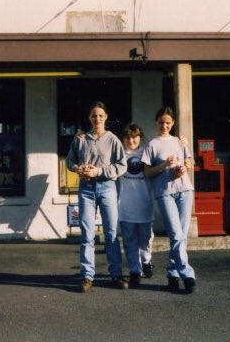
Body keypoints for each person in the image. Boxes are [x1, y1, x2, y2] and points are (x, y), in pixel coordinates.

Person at [66, 101, 128, 293]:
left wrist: (99, 171)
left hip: (107, 187)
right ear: (89, 118)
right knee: (87, 233)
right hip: (86, 189)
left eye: (100, 115)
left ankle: (116, 274)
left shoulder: (113, 139)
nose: (97, 119)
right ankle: (87, 276)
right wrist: (78, 168)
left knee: (110, 233)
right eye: (94, 116)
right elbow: (70, 160)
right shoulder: (81, 139)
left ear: (106, 117)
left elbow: (122, 165)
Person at [142, 106, 197, 294]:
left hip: (185, 190)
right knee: (175, 234)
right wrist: (164, 165)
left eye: (168, 123)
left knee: (181, 235)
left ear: (173, 123)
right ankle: (187, 273)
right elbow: (147, 172)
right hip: (165, 192)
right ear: (156, 123)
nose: (164, 126)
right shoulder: (152, 145)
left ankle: (173, 274)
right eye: (161, 122)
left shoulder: (180, 142)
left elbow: (190, 162)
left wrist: (184, 168)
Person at [117, 123, 155, 288]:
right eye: (128, 137)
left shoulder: (147, 151)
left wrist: (182, 144)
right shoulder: (118, 154)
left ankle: (146, 261)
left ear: (140, 137)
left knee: (145, 239)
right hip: (125, 205)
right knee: (130, 240)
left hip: (144, 203)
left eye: (134, 137)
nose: (131, 140)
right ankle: (134, 270)